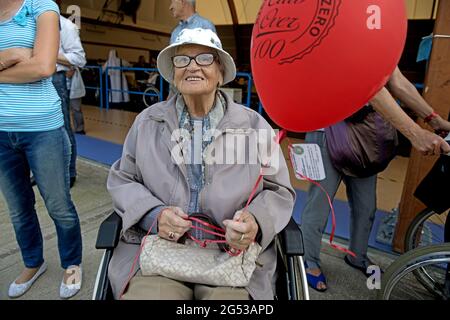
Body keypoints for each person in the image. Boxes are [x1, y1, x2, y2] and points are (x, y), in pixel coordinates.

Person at [106, 28, 295, 300]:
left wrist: (254, 221)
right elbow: (122, 179)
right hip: (160, 254)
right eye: (182, 60)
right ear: (173, 73)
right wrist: (154, 215)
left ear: (220, 71)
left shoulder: (254, 126)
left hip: (230, 257)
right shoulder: (148, 122)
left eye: (205, 58)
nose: (193, 66)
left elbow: (279, 190)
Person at [302, 66, 450, 292]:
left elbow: (398, 82)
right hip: (326, 130)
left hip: (366, 136)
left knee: (366, 206)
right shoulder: (342, 37)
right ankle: (309, 259)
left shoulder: (382, 39)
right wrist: (415, 132)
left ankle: (357, 255)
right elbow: (367, 87)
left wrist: (434, 120)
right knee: (319, 205)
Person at [0, 0, 82, 299]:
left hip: (42, 128)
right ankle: (33, 262)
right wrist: (12, 56)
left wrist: (17, 61)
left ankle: (72, 262)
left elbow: (45, 66)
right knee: (18, 209)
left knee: (59, 206)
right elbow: (32, 65)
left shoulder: (40, 6)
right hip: (0, 132)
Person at [52, 0, 87, 187]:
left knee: (64, 128)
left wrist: (48, 54)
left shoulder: (66, 26)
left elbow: (79, 58)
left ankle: (69, 172)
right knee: (38, 131)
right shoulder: (32, 26)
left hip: (55, 79)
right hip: (32, 79)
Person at [66, 65, 86, 134]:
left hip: (73, 89)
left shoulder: (71, 62)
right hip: (65, 88)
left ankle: (80, 129)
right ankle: (68, 128)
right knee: (65, 110)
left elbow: (69, 74)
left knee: (76, 109)